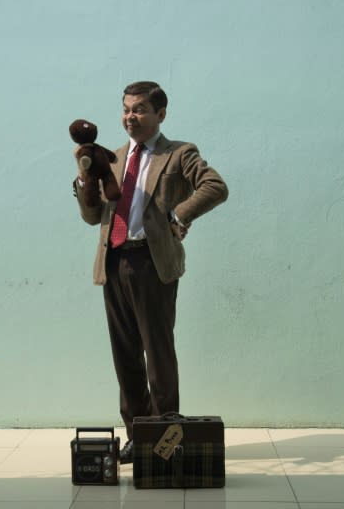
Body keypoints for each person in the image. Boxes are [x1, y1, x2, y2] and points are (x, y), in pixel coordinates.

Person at [72, 81, 228, 463]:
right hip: (113, 262)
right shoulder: (112, 157)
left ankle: (167, 440)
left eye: (140, 109)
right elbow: (94, 218)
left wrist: (180, 214)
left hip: (152, 264)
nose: (130, 116)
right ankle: (139, 437)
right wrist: (83, 183)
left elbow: (215, 186)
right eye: (126, 109)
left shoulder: (178, 154)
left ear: (160, 114)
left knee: (157, 357)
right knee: (125, 359)